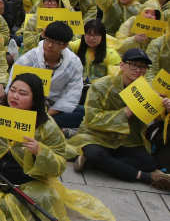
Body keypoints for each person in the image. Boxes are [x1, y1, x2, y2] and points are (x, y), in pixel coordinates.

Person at [0, 73, 115, 221]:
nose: (15, 97)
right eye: (13, 91)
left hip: (27, 184)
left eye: (23, 94)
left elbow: (59, 164)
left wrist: (40, 152)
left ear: (35, 99)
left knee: (44, 199)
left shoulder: (47, 126)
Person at [69, 49, 170, 191]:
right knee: (95, 154)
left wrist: (166, 109)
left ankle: (95, 164)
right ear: (122, 65)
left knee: (149, 162)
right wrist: (126, 112)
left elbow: (156, 116)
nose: (138, 70)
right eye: (133, 65)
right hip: (98, 137)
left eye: (143, 67)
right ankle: (148, 178)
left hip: (128, 140)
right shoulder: (101, 86)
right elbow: (92, 119)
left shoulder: (147, 90)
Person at [9, 21, 85, 133]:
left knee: (84, 113)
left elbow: (73, 93)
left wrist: (46, 115)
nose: (49, 45)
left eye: (55, 43)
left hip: (55, 107)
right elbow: (13, 83)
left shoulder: (74, 62)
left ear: (65, 45)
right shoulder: (30, 58)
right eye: (48, 40)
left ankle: (43, 124)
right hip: (30, 103)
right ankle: (53, 128)